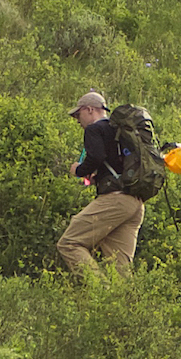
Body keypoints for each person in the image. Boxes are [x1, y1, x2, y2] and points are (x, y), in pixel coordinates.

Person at [57, 89, 144, 276]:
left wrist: (79, 170)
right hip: (135, 202)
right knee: (120, 270)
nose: (77, 121)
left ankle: (99, 290)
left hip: (115, 200)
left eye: (78, 115)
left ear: (89, 110)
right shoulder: (122, 130)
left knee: (69, 243)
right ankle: (122, 302)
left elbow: (96, 156)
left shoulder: (95, 129)